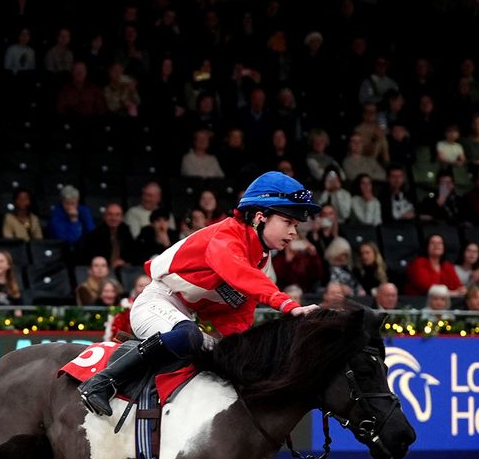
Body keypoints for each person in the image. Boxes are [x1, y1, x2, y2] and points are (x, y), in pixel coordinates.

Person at [77, 171, 322, 416]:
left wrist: (241, 355)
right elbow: (240, 274)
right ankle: (101, 382)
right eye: (288, 223)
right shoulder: (226, 235)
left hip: (185, 318)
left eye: (296, 226)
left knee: (226, 358)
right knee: (189, 335)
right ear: (260, 217)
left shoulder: (263, 266)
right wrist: (289, 305)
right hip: (156, 301)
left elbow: (236, 320)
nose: (293, 233)